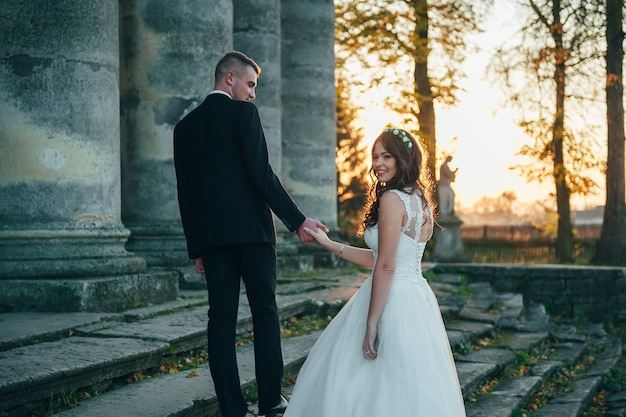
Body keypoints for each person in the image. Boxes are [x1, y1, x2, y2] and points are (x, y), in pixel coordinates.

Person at [173, 50, 327, 417]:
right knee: (264, 313)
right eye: (250, 84)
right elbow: (261, 175)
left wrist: (197, 247)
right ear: (230, 78)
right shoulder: (244, 114)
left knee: (220, 320)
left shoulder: (184, 128)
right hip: (253, 235)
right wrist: (298, 220)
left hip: (212, 240)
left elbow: (186, 193)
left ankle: (233, 409)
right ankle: (271, 402)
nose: (253, 93)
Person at [283, 128, 467, 416]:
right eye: (375, 156)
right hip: (417, 297)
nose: (378, 163)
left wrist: (371, 322)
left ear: (403, 158)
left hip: (391, 300)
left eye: (387, 156)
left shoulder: (393, 199)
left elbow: (386, 265)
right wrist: (330, 244)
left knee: (365, 382)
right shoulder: (421, 200)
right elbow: (383, 257)